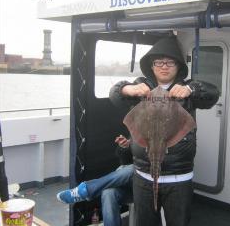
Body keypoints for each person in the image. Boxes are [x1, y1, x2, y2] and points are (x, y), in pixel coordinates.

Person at [109, 36, 219, 226]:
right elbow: (114, 94)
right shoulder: (142, 86)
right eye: (158, 62)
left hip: (179, 178)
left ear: (178, 67)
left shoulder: (187, 88)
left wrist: (191, 89)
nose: (164, 66)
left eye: (170, 62)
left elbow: (213, 93)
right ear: (151, 66)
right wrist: (128, 89)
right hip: (143, 176)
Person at [56, 135, 133, 226]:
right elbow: (125, 161)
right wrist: (125, 147)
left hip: (150, 187)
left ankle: (86, 190)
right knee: (108, 192)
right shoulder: (139, 131)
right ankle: (86, 190)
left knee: (133, 169)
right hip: (134, 186)